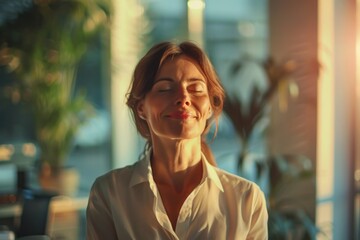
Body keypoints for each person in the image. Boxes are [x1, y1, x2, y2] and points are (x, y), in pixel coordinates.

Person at [86, 41, 268, 239]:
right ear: (141, 108)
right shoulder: (109, 193)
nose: (183, 98)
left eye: (196, 89)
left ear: (209, 107)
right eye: (164, 89)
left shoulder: (246, 199)